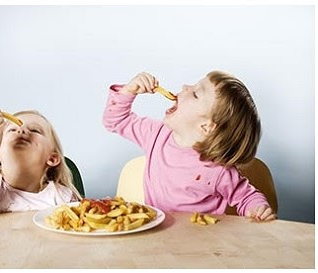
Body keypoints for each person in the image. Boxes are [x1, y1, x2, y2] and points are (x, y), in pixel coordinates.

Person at [103, 71, 276, 221]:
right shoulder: (155, 134)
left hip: (201, 246)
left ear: (206, 127)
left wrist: (258, 209)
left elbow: (246, 197)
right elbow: (115, 121)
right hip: (157, 238)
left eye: (195, 94)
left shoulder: (218, 170)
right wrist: (128, 91)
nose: (185, 86)